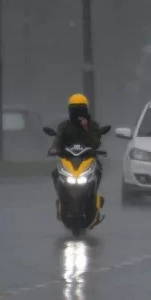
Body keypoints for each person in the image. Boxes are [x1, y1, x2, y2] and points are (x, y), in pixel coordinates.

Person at [48, 93, 104, 222]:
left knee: (99, 170)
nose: (78, 113)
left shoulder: (92, 125)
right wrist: (53, 148)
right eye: (75, 109)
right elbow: (57, 138)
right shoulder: (64, 125)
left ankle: (94, 197)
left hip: (87, 158)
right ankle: (61, 200)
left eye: (80, 109)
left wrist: (86, 128)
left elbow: (96, 142)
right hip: (68, 159)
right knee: (55, 173)